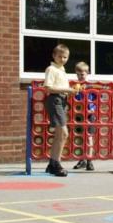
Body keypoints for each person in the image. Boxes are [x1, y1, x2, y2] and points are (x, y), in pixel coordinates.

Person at [42, 44, 78, 178]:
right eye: (60, 56)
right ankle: (56, 163)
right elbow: (48, 88)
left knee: (60, 134)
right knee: (64, 133)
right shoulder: (51, 69)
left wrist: (71, 91)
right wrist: (67, 90)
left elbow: (62, 88)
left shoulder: (62, 70)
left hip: (62, 100)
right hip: (55, 100)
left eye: (65, 57)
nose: (62, 59)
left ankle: (52, 163)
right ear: (54, 56)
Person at [72, 61, 97, 171]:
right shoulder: (76, 86)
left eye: (82, 74)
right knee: (80, 137)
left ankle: (89, 160)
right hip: (79, 114)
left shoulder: (91, 86)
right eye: (78, 74)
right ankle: (82, 160)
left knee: (89, 136)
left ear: (87, 73)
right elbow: (74, 100)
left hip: (89, 114)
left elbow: (96, 100)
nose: (80, 76)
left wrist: (92, 108)